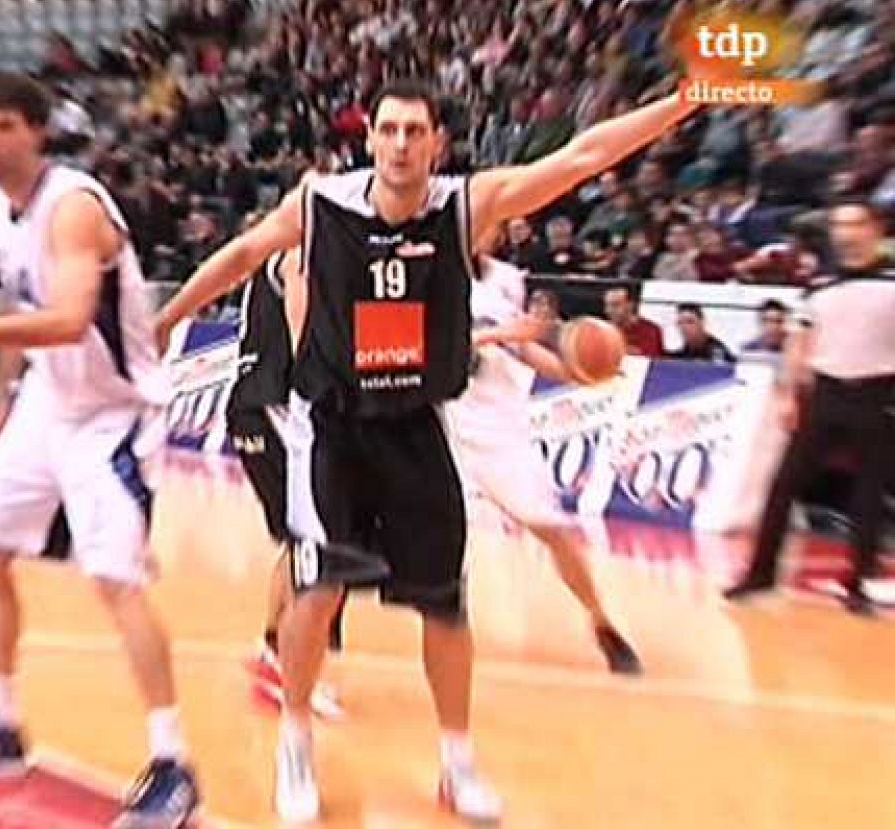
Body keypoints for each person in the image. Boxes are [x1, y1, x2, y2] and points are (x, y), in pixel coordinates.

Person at [155, 81, 700, 823]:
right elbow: (244, 251)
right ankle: (295, 740)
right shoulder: (321, 202)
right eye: (389, 129)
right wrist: (168, 318)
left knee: (445, 606)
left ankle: (457, 762)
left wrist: (676, 103)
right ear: (370, 139)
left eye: (416, 130)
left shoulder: (465, 206)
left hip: (417, 423)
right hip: (333, 427)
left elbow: (584, 154)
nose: (402, 143)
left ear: (437, 142)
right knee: (316, 592)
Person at [0, 72, 200, 827]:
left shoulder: (75, 207)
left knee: (115, 579)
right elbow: (22, 309)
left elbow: (64, 318)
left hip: (114, 414)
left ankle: (173, 763)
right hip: (47, 403)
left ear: (36, 133)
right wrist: (1, 394)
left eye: (0, 126)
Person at [449, 257, 642, 674]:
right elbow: (422, 352)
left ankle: (601, 621)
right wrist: (495, 335)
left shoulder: (498, 289)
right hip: (440, 421)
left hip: (496, 429)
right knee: (410, 527)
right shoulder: (423, 276)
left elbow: (531, 354)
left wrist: (583, 371)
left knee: (552, 529)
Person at [725, 199, 894, 617]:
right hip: (824, 393)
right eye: (839, 225)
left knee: (867, 495)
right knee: (783, 486)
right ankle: (759, 574)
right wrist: (787, 394)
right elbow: (799, 345)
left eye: (855, 223)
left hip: (879, 393)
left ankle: (857, 585)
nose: (847, 233)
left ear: (874, 229)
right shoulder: (818, 288)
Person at [226, 247, 374, 721]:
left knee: (301, 542)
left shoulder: (286, 254)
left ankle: (275, 652)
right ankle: (289, 669)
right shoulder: (300, 254)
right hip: (275, 411)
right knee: (322, 542)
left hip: (261, 408)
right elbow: (304, 332)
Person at [603, 284, 666, 358]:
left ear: (630, 305)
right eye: (607, 305)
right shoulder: (604, 330)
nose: (608, 310)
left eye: (615, 305)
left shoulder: (650, 330)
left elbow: (648, 360)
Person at [669, 303, 736, 363]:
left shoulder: (716, 351)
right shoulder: (687, 350)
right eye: (680, 323)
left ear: (702, 322)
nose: (684, 327)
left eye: (690, 322)